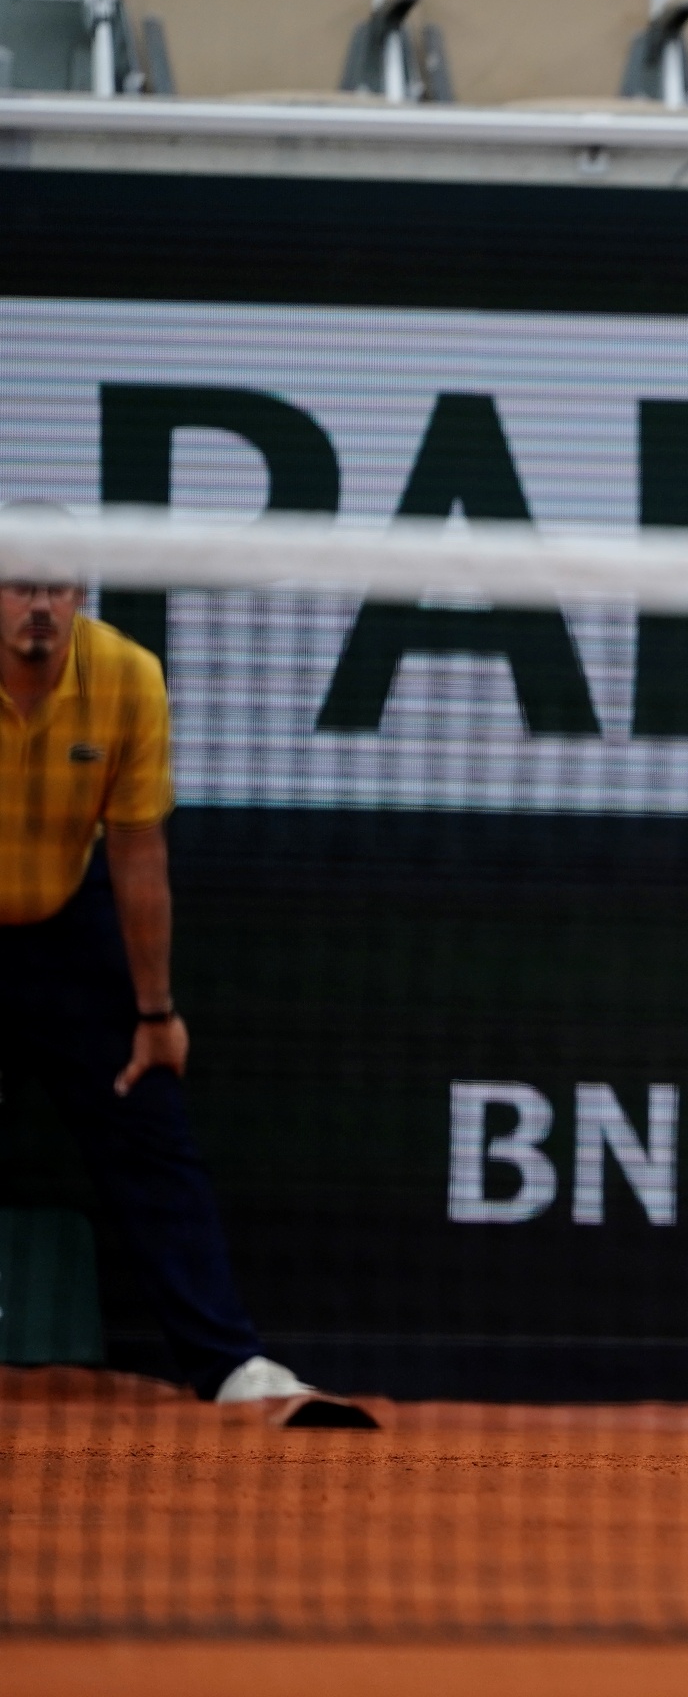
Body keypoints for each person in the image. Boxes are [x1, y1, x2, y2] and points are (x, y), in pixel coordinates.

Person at [0, 513, 348, 1416]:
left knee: (148, 1123)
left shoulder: (128, 678)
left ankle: (229, 1365)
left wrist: (155, 1013)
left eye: (56, 587)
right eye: (20, 586)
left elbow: (138, 853)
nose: (38, 605)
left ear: (81, 596)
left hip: (68, 927)